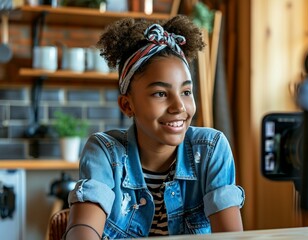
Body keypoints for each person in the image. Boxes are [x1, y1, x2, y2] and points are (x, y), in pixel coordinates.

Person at [64, 14, 245, 240]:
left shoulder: (210, 150)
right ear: (127, 105)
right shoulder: (105, 152)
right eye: (160, 93)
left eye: (186, 92)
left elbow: (231, 236)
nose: (179, 106)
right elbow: (84, 230)